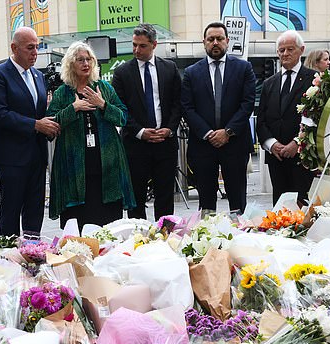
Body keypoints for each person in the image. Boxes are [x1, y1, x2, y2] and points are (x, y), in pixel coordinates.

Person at [47, 41, 135, 230]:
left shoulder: (104, 88)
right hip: (74, 169)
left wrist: (102, 104)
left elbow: (123, 118)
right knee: (78, 225)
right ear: (71, 64)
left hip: (107, 168)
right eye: (80, 60)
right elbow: (50, 124)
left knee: (109, 226)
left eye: (89, 59)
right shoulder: (63, 93)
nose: (86, 63)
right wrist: (73, 108)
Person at [0, 27, 60, 236]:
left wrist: (50, 127)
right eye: (30, 48)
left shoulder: (38, 75)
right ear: (14, 48)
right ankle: (10, 258)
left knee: (35, 210)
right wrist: (36, 125)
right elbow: (0, 113)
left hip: (37, 155)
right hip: (12, 157)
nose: (35, 52)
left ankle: (32, 252)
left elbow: (40, 111)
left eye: (37, 47)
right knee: (11, 210)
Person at [181, 21, 256, 213]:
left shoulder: (243, 68)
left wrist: (228, 132)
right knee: (206, 203)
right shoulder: (191, 73)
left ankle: (239, 236)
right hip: (203, 145)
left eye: (219, 39)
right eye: (211, 39)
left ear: (228, 41)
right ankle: (208, 238)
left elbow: (247, 104)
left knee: (238, 201)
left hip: (235, 144)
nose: (215, 43)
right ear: (204, 42)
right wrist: (207, 133)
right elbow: (187, 108)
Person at [112, 23, 182, 221]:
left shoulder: (169, 68)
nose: (136, 50)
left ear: (154, 45)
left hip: (165, 143)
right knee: (136, 197)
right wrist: (141, 131)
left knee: (165, 196)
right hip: (136, 145)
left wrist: (169, 129)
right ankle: (138, 241)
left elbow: (178, 103)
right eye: (134, 45)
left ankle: (166, 238)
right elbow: (120, 108)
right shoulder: (122, 73)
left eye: (142, 46)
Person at [257, 30, 315, 206]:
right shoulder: (269, 83)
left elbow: (317, 117)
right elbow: (261, 120)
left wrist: (297, 143)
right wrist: (271, 144)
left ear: (301, 50)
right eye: (281, 50)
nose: (285, 54)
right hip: (277, 157)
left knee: (302, 206)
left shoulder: (313, 79)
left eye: (290, 49)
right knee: (280, 207)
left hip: (302, 157)